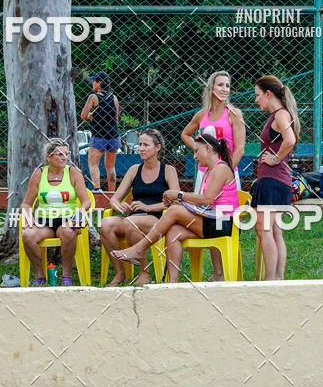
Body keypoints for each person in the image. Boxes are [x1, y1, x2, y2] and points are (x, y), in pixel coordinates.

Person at [111, 132, 239, 283]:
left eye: (196, 151)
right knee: (173, 231)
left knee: (174, 210)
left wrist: (179, 196)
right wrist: (183, 200)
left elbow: (208, 199)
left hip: (222, 222)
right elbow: (202, 203)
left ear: (208, 148)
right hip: (212, 219)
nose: (195, 157)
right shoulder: (209, 172)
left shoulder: (221, 169)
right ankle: (172, 284)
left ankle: (139, 249)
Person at [181, 70, 245, 280]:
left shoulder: (234, 115)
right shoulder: (202, 115)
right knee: (208, 216)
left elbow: (240, 148)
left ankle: (228, 270)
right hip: (203, 175)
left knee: (222, 221)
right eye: (220, 85)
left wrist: (223, 170)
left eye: (227, 85)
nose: (225, 89)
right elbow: (185, 134)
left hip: (226, 177)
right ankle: (217, 273)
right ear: (211, 88)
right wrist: (199, 150)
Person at [99, 128, 180, 286]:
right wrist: (119, 205)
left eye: (146, 145)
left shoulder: (168, 171)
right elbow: (114, 199)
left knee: (131, 224)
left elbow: (176, 202)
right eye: (139, 144)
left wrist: (148, 207)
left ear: (157, 148)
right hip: (133, 218)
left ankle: (144, 272)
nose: (141, 148)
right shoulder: (134, 170)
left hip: (158, 218)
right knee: (105, 224)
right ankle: (120, 273)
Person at [20, 138, 91, 286]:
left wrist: (77, 216)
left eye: (67, 153)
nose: (64, 157)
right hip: (44, 221)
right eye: (59, 154)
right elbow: (26, 203)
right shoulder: (39, 174)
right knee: (27, 235)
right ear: (48, 156)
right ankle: (40, 275)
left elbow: (86, 202)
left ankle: (66, 276)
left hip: (67, 220)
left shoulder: (73, 173)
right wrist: (29, 219)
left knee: (67, 232)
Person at [253, 74, 300, 281]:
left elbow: (289, 140)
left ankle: (270, 279)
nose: (256, 100)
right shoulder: (280, 115)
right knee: (274, 230)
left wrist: (275, 159)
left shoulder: (280, 114)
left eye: (258, 95)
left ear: (268, 93)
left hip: (272, 179)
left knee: (264, 229)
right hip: (277, 180)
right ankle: (277, 278)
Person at [80, 71, 121, 193]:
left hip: (99, 135)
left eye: (94, 81)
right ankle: (112, 192)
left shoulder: (94, 97)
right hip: (113, 135)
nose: (92, 83)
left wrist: (90, 116)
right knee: (110, 167)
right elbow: (116, 118)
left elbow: (83, 115)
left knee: (93, 164)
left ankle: (97, 189)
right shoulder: (114, 98)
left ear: (99, 83)